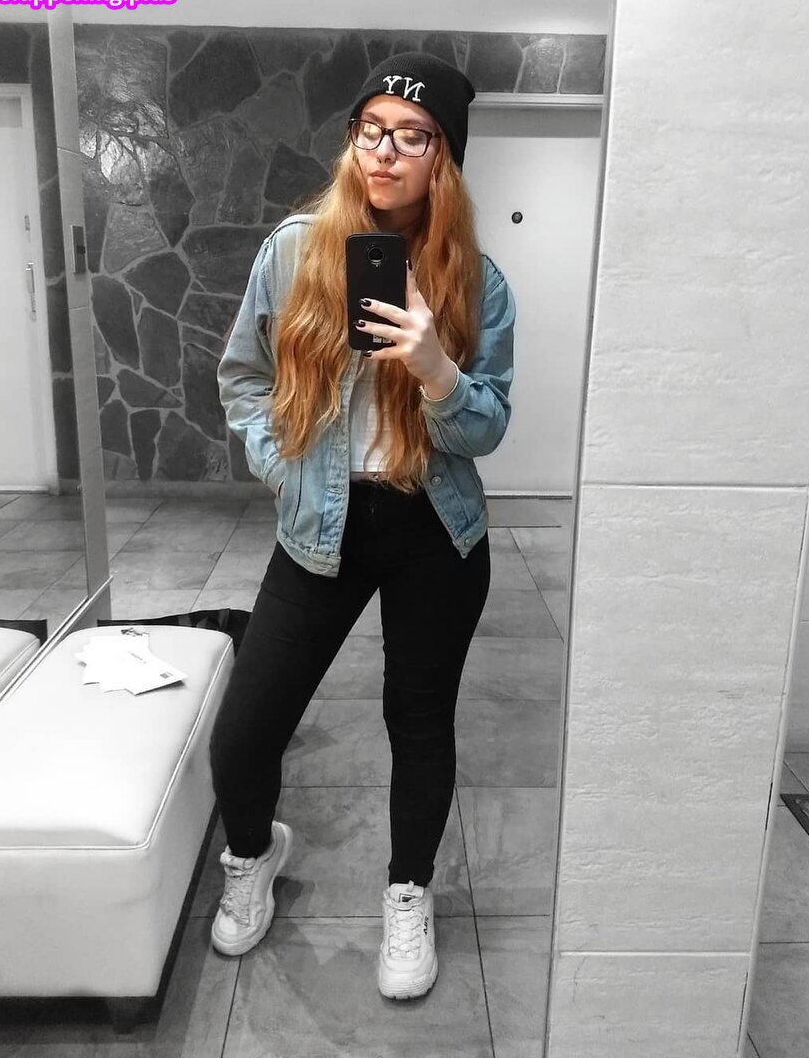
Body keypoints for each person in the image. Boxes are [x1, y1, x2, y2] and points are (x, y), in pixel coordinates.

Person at [209, 52, 516, 1001]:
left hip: (435, 529)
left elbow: (487, 427)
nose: (385, 150)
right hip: (320, 523)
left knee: (418, 725)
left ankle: (408, 894)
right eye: (371, 128)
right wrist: (281, 465)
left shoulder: (480, 282)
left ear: (443, 158)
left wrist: (434, 366)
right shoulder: (295, 250)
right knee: (246, 731)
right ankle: (253, 854)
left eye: (412, 136)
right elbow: (243, 377)